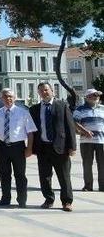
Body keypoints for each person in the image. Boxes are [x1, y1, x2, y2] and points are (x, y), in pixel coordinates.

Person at [30, 82, 76, 211]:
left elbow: (70, 127)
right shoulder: (34, 109)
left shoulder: (62, 106)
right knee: (44, 176)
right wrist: (32, 147)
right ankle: (49, 199)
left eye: (46, 90)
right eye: (41, 91)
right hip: (43, 147)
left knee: (64, 176)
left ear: (52, 91)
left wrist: (72, 146)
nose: (44, 92)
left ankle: (67, 201)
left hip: (60, 148)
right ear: (38, 93)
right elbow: (32, 130)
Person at [0, 88, 36, 208]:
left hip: (18, 147)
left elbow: (30, 133)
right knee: (4, 174)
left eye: (10, 96)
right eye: (5, 96)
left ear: (15, 98)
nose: (8, 99)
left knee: (20, 175)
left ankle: (22, 200)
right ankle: (5, 198)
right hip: (2, 147)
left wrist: (29, 148)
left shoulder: (23, 113)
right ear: (1, 98)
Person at [74, 88, 104, 192]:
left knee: (102, 164)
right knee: (87, 164)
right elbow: (74, 122)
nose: (96, 97)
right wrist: (85, 131)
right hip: (86, 141)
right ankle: (88, 186)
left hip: (101, 141)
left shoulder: (102, 108)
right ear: (87, 97)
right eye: (94, 95)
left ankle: (102, 186)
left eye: (97, 95)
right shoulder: (80, 109)